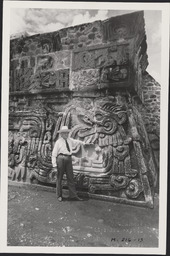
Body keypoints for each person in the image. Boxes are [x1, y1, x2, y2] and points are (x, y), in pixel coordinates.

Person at [52, 126, 90, 202]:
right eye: (64, 133)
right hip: (61, 158)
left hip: (68, 159)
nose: (66, 134)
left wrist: (84, 143)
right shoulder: (58, 142)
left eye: (67, 133)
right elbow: (54, 154)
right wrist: (54, 166)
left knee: (70, 177)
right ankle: (59, 195)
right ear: (61, 134)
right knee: (59, 178)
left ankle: (73, 195)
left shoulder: (70, 140)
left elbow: (77, 141)